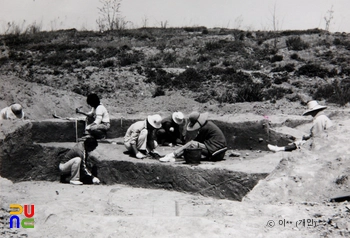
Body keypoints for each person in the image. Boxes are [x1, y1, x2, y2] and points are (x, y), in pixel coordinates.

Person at [160, 111, 227, 162]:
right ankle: (177, 155)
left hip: (216, 152)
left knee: (192, 144)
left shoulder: (205, 128)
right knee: (191, 146)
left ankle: (172, 155)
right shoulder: (208, 125)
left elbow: (197, 141)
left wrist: (185, 146)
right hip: (219, 152)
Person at [268, 100, 333, 152]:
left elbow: (316, 135)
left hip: (323, 141)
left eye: (311, 112)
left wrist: (307, 138)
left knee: (300, 143)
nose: (311, 114)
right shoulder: (323, 117)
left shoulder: (319, 119)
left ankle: (279, 149)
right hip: (327, 139)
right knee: (301, 141)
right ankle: (281, 148)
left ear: (314, 111)